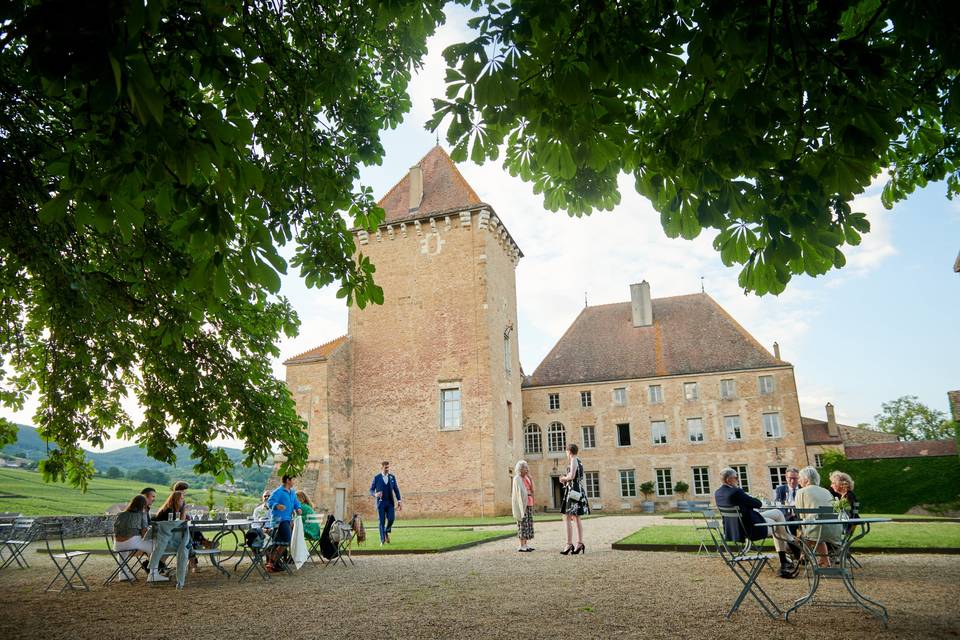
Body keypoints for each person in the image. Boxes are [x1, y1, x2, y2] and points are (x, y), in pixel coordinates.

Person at [715, 467, 799, 578]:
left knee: (777, 513)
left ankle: (789, 546)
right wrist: (746, 496)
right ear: (729, 480)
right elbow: (758, 504)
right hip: (752, 528)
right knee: (777, 524)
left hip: (738, 527)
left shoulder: (718, 493)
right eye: (736, 477)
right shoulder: (736, 492)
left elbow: (750, 505)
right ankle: (789, 551)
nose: (738, 480)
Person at [795, 466, 843, 567]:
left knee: (807, 533)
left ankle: (803, 557)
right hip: (834, 530)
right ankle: (824, 560)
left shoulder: (801, 492)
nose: (798, 480)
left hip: (815, 531)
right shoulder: (826, 491)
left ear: (806, 479)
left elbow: (801, 516)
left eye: (800, 478)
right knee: (816, 531)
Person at [113, 494, 155, 581]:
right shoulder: (141, 514)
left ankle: (123, 574)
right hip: (131, 544)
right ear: (143, 505)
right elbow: (144, 533)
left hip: (117, 545)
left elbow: (116, 530)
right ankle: (153, 572)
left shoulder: (121, 514)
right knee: (154, 546)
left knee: (123, 552)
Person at [559, 443, 589, 555]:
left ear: (569, 451)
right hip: (577, 489)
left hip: (573, 490)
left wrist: (563, 478)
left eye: (566, 452)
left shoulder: (573, 460)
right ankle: (579, 543)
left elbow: (571, 476)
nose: (566, 454)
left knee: (566, 516)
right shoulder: (579, 460)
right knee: (576, 518)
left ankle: (569, 544)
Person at [267, 475, 302, 569]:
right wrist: (277, 505)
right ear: (287, 480)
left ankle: (273, 562)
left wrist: (298, 508)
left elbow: (296, 503)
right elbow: (269, 502)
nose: (294, 481)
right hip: (279, 521)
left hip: (288, 520)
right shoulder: (278, 492)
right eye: (293, 480)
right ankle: (272, 561)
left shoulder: (292, 492)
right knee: (285, 540)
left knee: (282, 542)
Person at [369, 461, 402, 545]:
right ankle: (382, 540)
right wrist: (375, 494)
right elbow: (371, 490)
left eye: (388, 467)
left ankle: (386, 531)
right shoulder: (377, 478)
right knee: (382, 522)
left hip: (390, 502)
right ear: (382, 468)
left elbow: (396, 489)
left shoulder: (392, 477)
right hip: (381, 503)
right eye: (386, 467)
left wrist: (399, 501)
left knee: (391, 519)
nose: (387, 469)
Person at [511, 460, 535, 552]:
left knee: (528, 524)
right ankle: (521, 545)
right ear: (520, 469)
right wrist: (527, 492)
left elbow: (533, 490)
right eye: (525, 468)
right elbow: (518, 493)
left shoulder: (527, 478)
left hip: (529, 502)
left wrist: (531, 478)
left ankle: (526, 544)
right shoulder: (517, 478)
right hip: (521, 504)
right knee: (522, 524)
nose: (527, 469)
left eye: (527, 467)